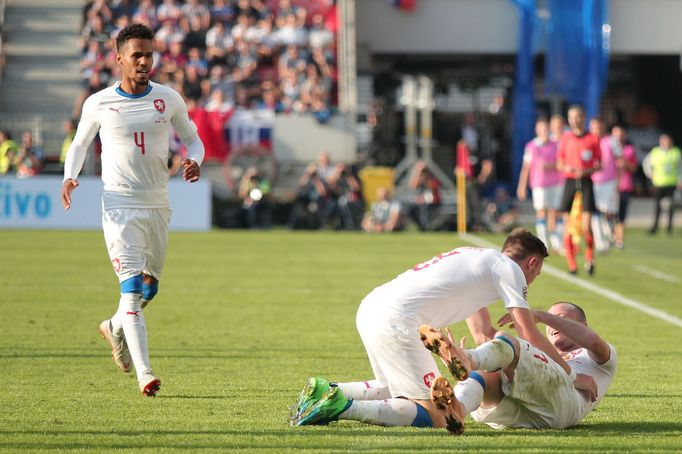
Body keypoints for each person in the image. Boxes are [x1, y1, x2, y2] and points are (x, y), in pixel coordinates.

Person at [289, 229, 593, 430]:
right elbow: (529, 334)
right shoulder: (509, 269)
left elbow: (482, 331)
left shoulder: (474, 256)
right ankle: (343, 408)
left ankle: (326, 390)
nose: (533, 280)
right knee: (441, 415)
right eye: (537, 273)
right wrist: (570, 374)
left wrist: (477, 359)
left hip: (372, 305)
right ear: (532, 262)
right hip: (399, 318)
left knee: (388, 386)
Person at [61, 24, 205, 397]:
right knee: (130, 291)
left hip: (157, 203)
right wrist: (69, 176)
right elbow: (79, 144)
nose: (144, 62)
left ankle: (113, 326)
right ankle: (145, 373)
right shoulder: (99, 102)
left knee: (149, 288)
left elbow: (192, 139)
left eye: (149, 54)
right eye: (136, 55)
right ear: (119, 59)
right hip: (119, 205)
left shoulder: (168, 98)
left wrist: (194, 160)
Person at [423, 301, 615, 434]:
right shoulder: (543, 355)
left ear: (583, 325)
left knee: (507, 342)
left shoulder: (595, 355)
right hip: (525, 414)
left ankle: (469, 359)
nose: (550, 324)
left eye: (561, 317)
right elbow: (484, 335)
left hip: (564, 403)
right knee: (489, 369)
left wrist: (542, 316)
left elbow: (594, 341)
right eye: (549, 320)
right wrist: (471, 296)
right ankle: (458, 409)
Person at [557, 105, 601, 276]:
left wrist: (587, 170)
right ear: (569, 119)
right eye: (572, 117)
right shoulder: (565, 138)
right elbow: (559, 163)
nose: (575, 120)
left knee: (586, 226)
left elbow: (600, 164)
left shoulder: (593, 139)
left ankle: (590, 258)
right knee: (568, 226)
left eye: (578, 116)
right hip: (569, 181)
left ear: (584, 118)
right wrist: (568, 167)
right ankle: (572, 264)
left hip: (586, 181)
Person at [516, 118, 563, 252]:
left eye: (546, 129)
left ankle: (557, 242)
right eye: (542, 129)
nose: (544, 132)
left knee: (555, 211)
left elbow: (561, 163)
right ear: (537, 131)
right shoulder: (531, 146)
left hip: (556, 183)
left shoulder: (556, 144)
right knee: (542, 211)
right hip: (539, 184)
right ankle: (543, 242)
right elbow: (526, 167)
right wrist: (522, 186)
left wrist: (551, 166)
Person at [642, 133, 682, 235]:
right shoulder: (655, 152)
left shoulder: (676, 152)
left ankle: (669, 228)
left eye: (667, 140)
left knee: (671, 206)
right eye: (664, 140)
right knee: (657, 206)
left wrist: (680, 180)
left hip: (672, 183)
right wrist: (651, 174)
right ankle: (655, 227)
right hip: (659, 183)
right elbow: (646, 164)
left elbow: (680, 167)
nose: (666, 142)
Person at [612, 126, 637, 248]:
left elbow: (633, 168)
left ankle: (619, 240)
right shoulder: (608, 148)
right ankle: (611, 236)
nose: (619, 137)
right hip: (610, 187)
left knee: (621, 215)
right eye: (616, 134)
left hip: (624, 186)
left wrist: (625, 163)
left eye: (621, 134)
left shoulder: (629, 149)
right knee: (609, 214)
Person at [408, 160, 441, 231]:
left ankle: (426, 227)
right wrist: (418, 174)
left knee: (424, 208)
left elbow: (433, 187)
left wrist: (426, 177)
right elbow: (413, 186)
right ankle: (421, 226)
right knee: (410, 210)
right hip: (422, 202)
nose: (422, 172)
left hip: (433, 202)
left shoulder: (432, 178)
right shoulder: (419, 178)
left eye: (423, 171)